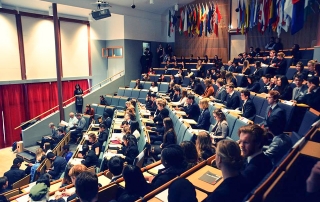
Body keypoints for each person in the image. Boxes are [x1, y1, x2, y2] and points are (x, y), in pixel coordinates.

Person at [238, 124, 273, 189]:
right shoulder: (263, 158)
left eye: (246, 142)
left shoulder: (252, 171)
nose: (241, 145)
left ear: (258, 143)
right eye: (240, 141)